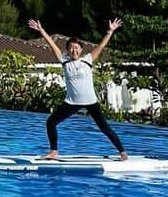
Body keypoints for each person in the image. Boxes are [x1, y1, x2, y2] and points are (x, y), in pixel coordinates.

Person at [27, 17, 128, 160]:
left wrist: (110, 31)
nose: (74, 50)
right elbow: (52, 45)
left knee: (104, 127)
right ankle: (54, 151)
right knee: (50, 122)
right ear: (68, 50)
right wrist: (41, 30)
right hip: (72, 102)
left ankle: (123, 153)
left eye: (76, 48)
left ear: (81, 50)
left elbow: (101, 46)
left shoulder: (87, 60)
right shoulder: (64, 61)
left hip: (90, 101)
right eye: (71, 48)